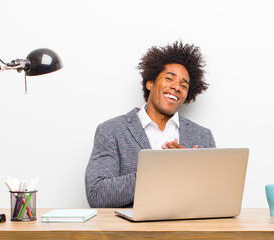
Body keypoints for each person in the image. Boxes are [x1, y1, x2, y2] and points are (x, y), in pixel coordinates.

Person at [85, 41, 215, 208]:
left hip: (186, 232)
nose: (176, 87)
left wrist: (192, 170)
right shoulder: (111, 131)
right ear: (150, 82)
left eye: (183, 85)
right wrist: (159, 170)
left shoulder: (203, 136)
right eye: (169, 78)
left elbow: (214, 200)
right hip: (133, 232)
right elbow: (97, 194)